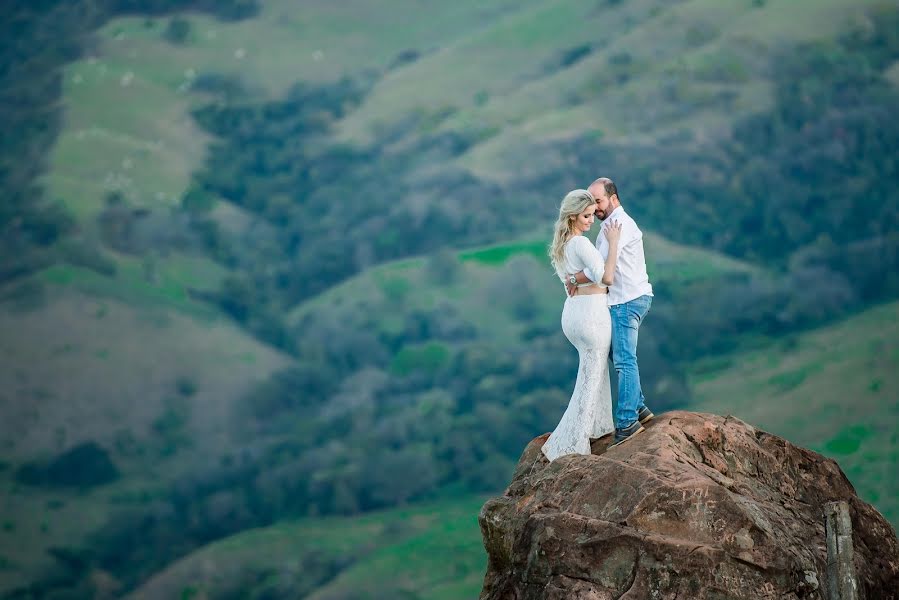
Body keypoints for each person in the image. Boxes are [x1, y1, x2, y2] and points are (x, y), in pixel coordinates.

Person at [566, 177, 654, 447]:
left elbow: (602, 271)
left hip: (626, 301)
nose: (596, 207)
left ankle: (627, 422)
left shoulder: (617, 225)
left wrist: (573, 279)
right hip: (630, 298)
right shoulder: (610, 225)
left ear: (613, 198)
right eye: (592, 203)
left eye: (599, 201)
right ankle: (638, 406)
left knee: (624, 359)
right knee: (618, 355)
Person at [542, 189, 622, 462]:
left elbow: (571, 283)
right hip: (592, 314)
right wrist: (612, 243)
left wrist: (578, 280)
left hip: (572, 314)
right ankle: (570, 443)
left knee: (593, 371)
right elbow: (606, 277)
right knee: (589, 378)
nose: (592, 220)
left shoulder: (561, 246)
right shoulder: (581, 244)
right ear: (574, 216)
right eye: (587, 216)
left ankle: (598, 425)